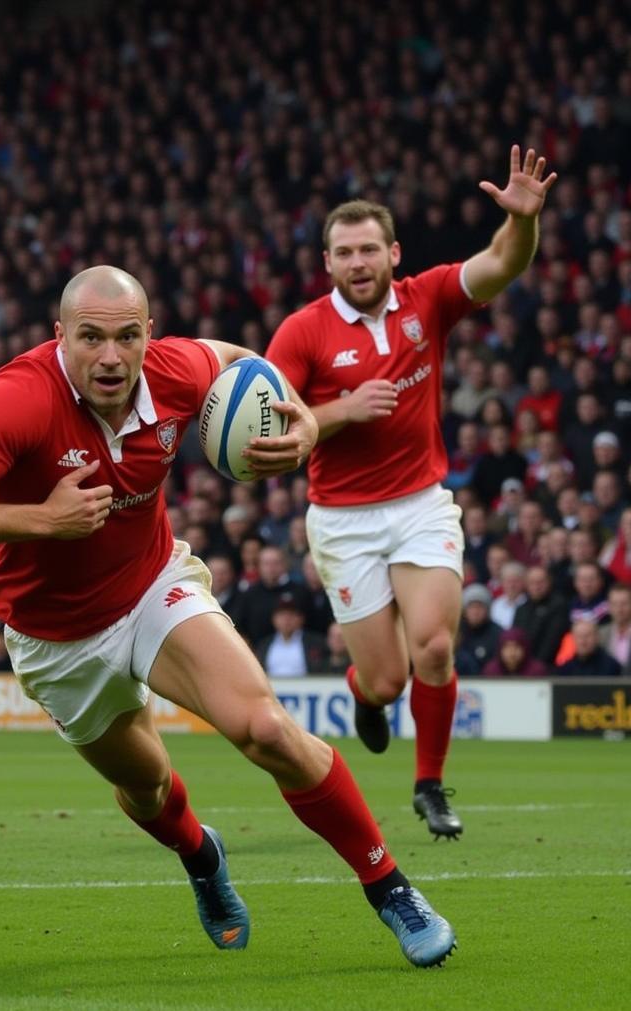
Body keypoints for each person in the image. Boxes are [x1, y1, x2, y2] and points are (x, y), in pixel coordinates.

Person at [0, 265, 456, 967]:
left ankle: (391, 887)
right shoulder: (17, 400)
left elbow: (240, 361)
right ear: (59, 335)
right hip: (54, 636)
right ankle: (201, 855)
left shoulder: (175, 369)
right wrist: (41, 519)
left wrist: (305, 417)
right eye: (91, 338)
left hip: (152, 585)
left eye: (127, 337)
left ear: (148, 335)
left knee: (266, 728)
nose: (110, 356)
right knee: (147, 785)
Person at [266, 146, 556, 840]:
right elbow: (270, 422)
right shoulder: (303, 331)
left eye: (370, 248)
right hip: (341, 519)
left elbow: (502, 263)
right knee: (390, 680)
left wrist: (521, 222)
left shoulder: (427, 298)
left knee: (433, 647)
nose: (359, 262)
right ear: (328, 264)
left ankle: (429, 785)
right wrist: (341, 411)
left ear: (393, 253)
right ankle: (365, 696)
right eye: (345, 253)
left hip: (422, 503)